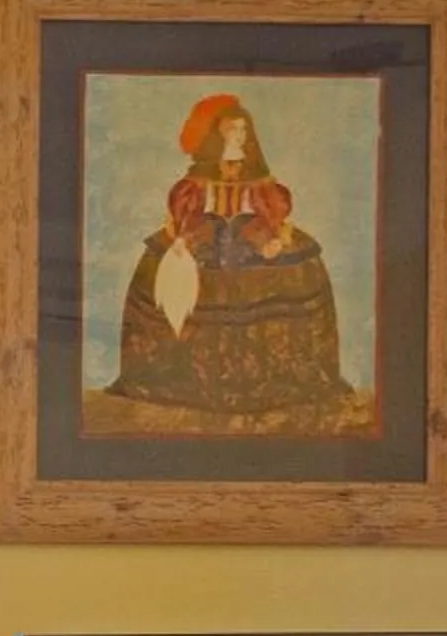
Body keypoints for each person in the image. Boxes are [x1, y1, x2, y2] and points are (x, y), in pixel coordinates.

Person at [109, 92, 350, 421]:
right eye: (232, 129)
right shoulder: (196, 180)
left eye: (243, 129)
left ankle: (266, 377)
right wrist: (183, 238)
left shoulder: (259, 177)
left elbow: (272, 211)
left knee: (284, 275)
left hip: (253, 234)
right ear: (217, 136)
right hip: (204, 234)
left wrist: (272, 238)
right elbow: (185, 213)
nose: (240, 135)